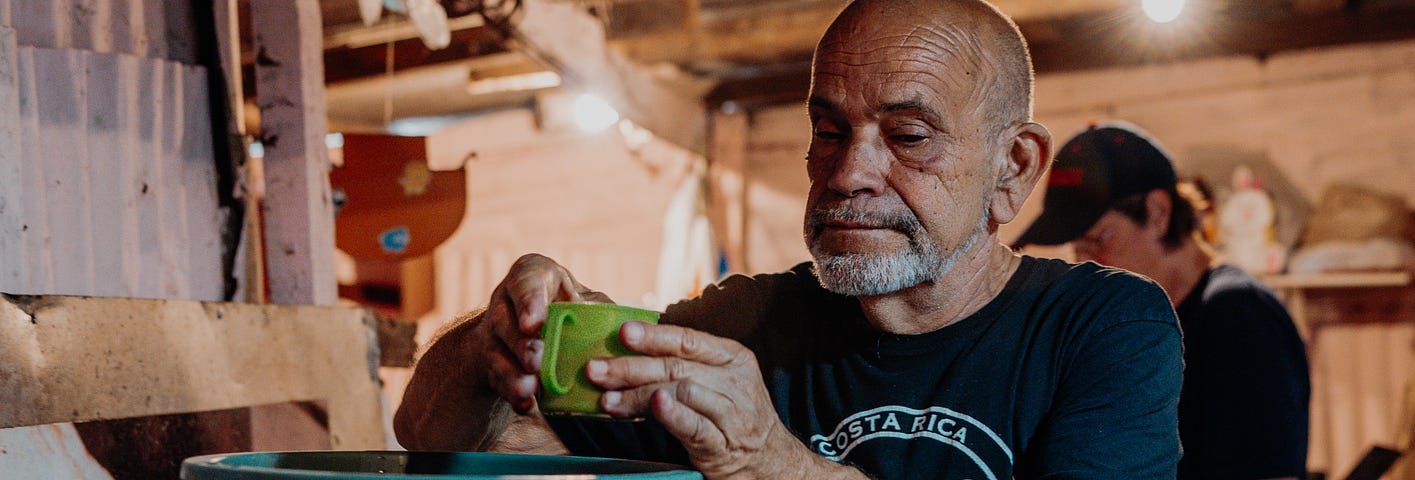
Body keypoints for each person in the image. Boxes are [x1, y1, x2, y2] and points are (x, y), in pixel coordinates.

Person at [395, 1, 1184, 478]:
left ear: (1013, 169)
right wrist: (489, 347)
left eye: (907, 136)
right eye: (827, 130)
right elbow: (441, 439)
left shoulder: (1101, 325)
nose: (847, 173)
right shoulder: (745, 322)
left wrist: (764, 462)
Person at [1013, 121, 1311, 480]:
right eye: (1078, 248)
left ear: (1158, 213)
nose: (1086, 263)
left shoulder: (1237, 315)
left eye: (1099, 239)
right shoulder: (1136, 326)